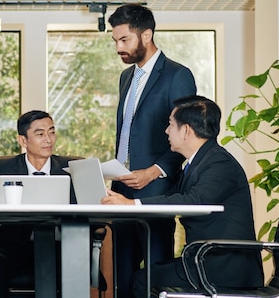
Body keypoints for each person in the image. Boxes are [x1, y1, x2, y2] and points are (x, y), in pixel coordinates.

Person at [101, 95, 264, 297]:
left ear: (186, 130)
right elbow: (173, 196)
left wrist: (131, 204)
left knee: (143, 280)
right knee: (148, 273)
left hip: (224, 267)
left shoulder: (219, 165)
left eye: (170, 125)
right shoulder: (201, 162)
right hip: (205, 260)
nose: (166, 131)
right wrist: (125, 198)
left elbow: (191, 200)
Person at [107, 3, 197, 297]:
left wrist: (153, 171)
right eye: (115, 40)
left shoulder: (177, 75)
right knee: (121, 274)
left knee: (155, 275)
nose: (119, 47)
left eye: (124, 40)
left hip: (155, 188)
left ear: (146, 36)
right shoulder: (125, 78)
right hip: (121, 187)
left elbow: (187, 134)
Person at [0, 110, 76, 298]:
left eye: (52, 132)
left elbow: (87, 212)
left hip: (60, 246)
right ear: (23, 141)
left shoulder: (71, 169)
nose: (48, 139)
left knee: (73, 265)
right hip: (15, 246)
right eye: (40, 134)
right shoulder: (4, 169)